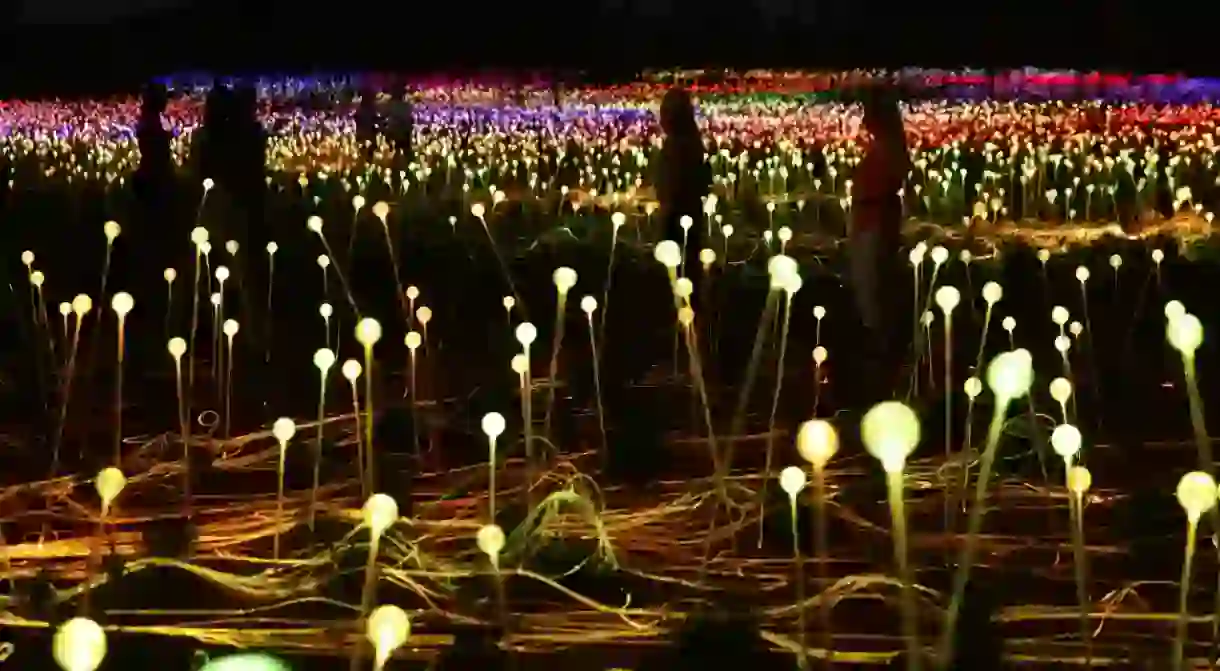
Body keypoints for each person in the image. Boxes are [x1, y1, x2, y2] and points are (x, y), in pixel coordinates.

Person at [850, 85, 911, 398]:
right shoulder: (886, 150)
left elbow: (886, 194)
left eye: (868, 114)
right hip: (869, 228)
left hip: (873, 231)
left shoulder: (888, 153)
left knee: (873, 297)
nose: (864, 120)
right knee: (871, 296)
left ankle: (882, 369)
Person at [656, 87, 710, 274]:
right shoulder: (692, 143)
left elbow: (672, 189)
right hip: (690, 219)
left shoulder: (677, 147)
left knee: (678, 272)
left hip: (676, 223)